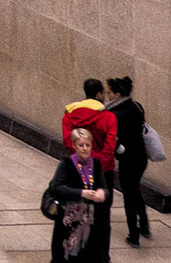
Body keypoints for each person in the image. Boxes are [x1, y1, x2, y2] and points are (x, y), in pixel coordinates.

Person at [47, 126, 113, 262]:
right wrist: (81, 193)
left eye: (87, 145)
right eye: (81, 145)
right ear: (74, 146)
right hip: (69, 220)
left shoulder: (96, 164)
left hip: (90, 220)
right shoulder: (66, 164)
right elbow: (56, 187)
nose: (85, 148)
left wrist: (101, 192)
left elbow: (104, 188)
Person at [104, 77, 149, 246]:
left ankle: (134, 234)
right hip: (141, 156)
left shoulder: (114, 114)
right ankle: (144, 225)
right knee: (134, 189)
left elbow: (112, 137)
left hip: (127, 158)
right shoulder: (137, 107)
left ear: (117, 93)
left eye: (109, 92)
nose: (107, 96)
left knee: (128, 194)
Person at [62, 79, 119, 182]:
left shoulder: (69, 114)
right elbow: (110, 145)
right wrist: (99, 163)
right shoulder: (109, 117)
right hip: (103, 169)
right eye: (103, 93)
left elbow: (68, 140)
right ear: (98, 95)